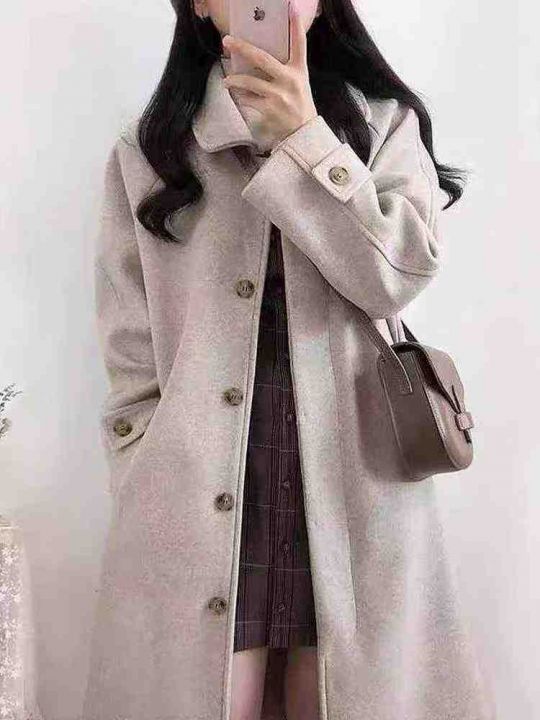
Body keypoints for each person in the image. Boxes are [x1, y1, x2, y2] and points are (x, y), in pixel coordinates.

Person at [83, 1, 494, 719]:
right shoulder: (150, 151)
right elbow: (130, 347)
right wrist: (144, 465)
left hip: (354, 489)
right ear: (201, 4)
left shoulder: (383, 125)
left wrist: (305, 140)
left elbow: (394, 278)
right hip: (196, 494)